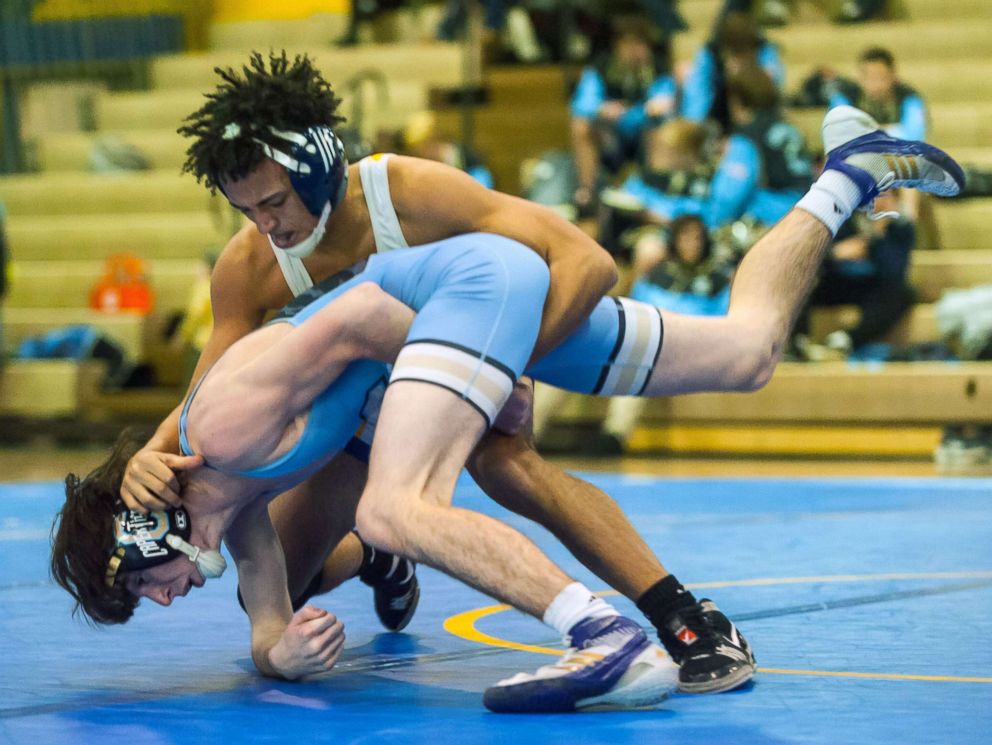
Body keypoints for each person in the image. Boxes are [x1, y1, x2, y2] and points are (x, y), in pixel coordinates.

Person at [115, 51, 755, 695]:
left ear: (316, 170)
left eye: (275, 201)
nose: (267, 226)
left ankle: (682, 616)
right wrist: (147, 457)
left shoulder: (402, 193)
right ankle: (377, 554)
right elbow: (207, 389)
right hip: (363, 401)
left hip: (460, 344)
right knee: (279, 592)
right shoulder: (248, 264)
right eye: (246, 210)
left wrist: (502, 367)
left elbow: (586, 262)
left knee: (508, 466)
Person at [55, 234, 685, 714]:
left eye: (145, 587)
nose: (165, 599)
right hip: (444, 317)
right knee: (743, 351)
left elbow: (362, 314)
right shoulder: (238, 512)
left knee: (411, 505)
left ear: (141, 531)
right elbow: (267, 625)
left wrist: (487, 378)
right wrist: (284, 656)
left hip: (464, 288)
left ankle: (612, 629)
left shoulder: (223, 434)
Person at [570, 17, 678, 215]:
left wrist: (657, 106)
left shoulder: (658, 69)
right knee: (581, 126)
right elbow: (582, 105)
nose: (635, 51)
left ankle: (654, 192)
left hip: (644, 135)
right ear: (617, 46)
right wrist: (600, 109)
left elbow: (666, 100)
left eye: (640, 44)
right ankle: (588, 189)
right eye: (630, 44)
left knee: (660, 128)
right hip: (612, 137)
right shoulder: (601, 67)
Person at [793, 189, 917, 359]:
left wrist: (877, 238)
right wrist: (835, 254)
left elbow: (894, 274)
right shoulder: (842, 216)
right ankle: (798, 342)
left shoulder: (900, 228)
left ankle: (846, 340)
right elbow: (811, 257)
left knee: (903, 294)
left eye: (885, 195)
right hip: (834, 282)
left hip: (869, 288)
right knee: (802, 278)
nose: (878, 202)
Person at [680, 11, 784, 133]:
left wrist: (759, 77)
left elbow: (775, 94)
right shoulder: (710, 55)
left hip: (759, 120)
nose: (740, 62)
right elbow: (696, 105)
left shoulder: (765, 51)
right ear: (725, 52)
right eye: (735, 55)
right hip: (719, 120)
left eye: (745, 54)